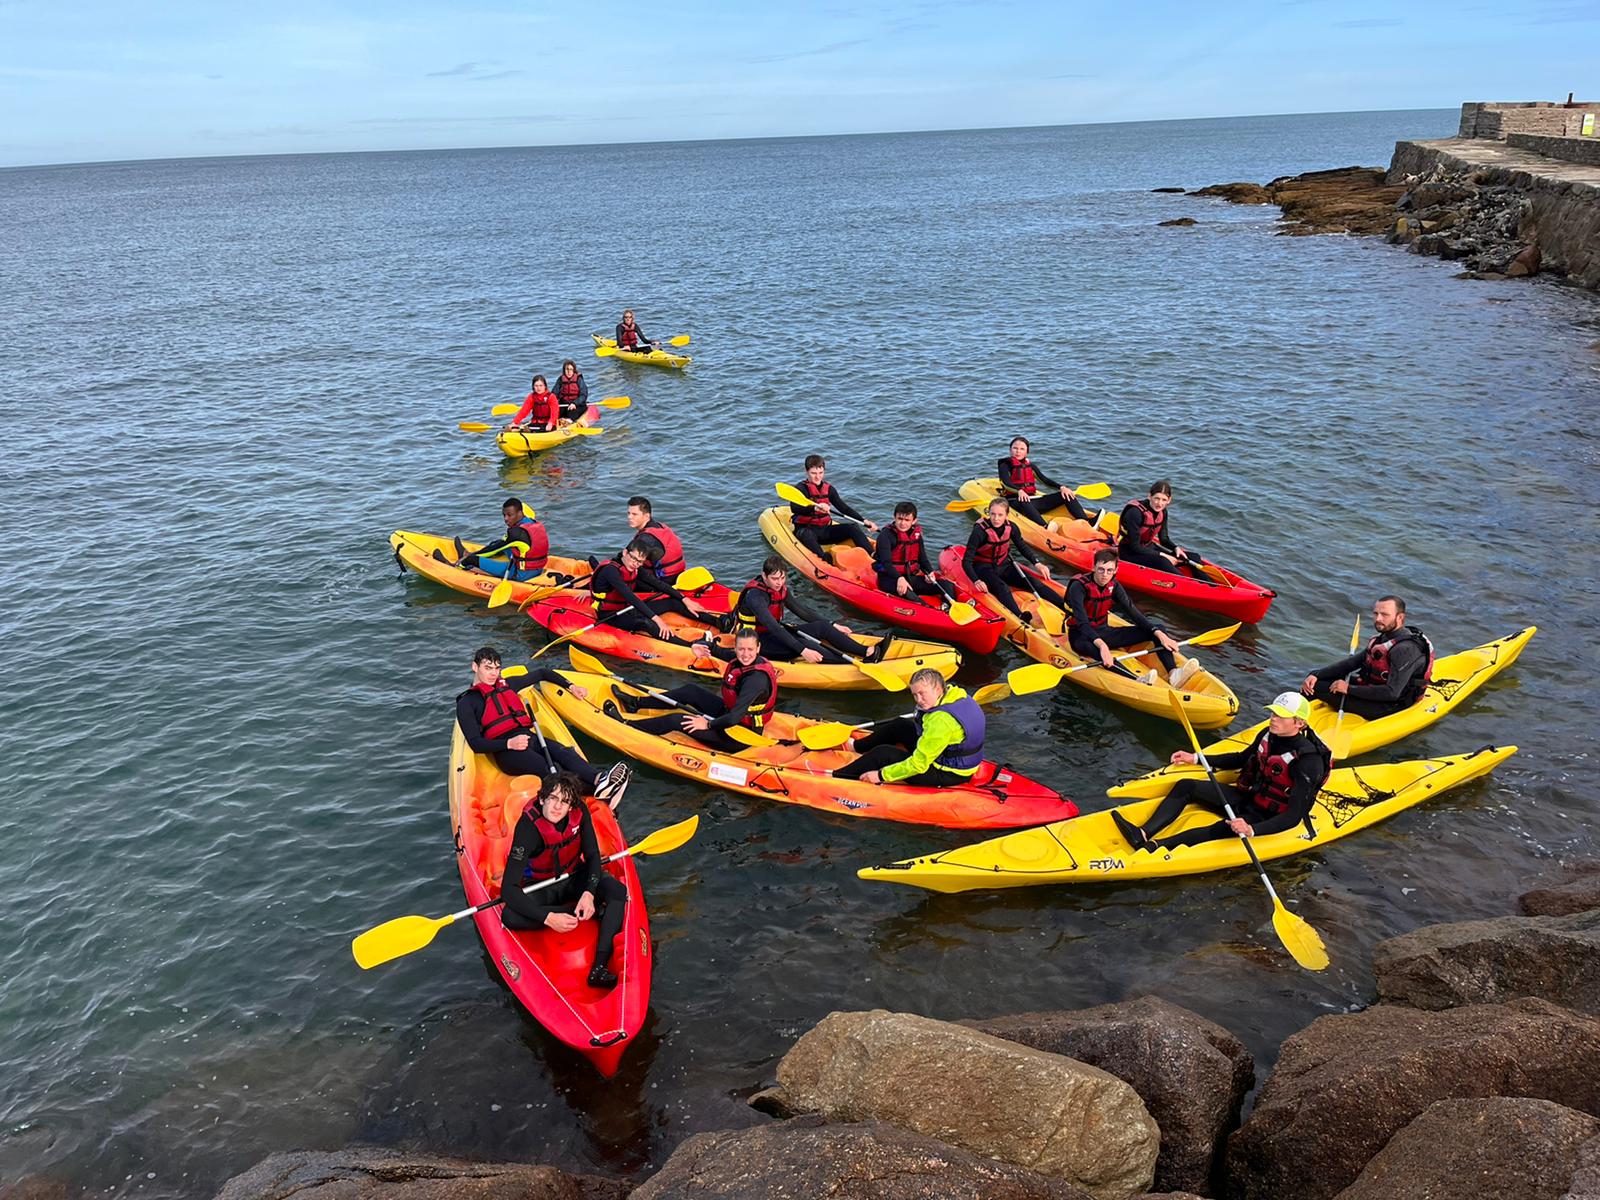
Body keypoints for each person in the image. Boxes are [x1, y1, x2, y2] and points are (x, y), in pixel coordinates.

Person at [1112, 692, 1332, 851]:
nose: (1273, 718)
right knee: (1187, 785)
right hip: (1249, 798)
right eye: (1273, 712)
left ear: (1300, 723)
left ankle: (1154, 848)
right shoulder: (1268, 733)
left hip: (1267, 816)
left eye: (1281, 715)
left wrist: (1251, 830)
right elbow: (1240, 758)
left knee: (1218, 829)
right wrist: (1196, 758)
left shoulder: (1308, 761)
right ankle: (1143, 833)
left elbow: (1293, 816)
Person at [499, 771, 629, 990]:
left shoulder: (581, 813)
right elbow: (509, 890)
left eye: (565, 802)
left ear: (572, 806)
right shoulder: (528, 828)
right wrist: (548, 918)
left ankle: (598, 968)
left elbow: (593, 856)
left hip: (573, 876)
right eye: (553, 798)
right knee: (509, 916)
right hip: (541, 885)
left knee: (617, 891)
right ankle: (586, 912)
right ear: (542, 799)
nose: (558, 807)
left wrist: (589, 892)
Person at [455, 646, 629, 798]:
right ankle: (598, 791)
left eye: (497, 668)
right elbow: (476, 744)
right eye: (488, 668)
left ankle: (600, 779)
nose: (493, 673)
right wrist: (509, 743)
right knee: (550, 769)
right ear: (475, 667)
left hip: (530, 737)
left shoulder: (508, 685)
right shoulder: (467, 703)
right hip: (507, 752)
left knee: (564, 753)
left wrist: (571, 686)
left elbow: (542, 673)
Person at [605, 629, 778, 753]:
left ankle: (628, 725)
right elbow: (714, 649)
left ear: (758, 649)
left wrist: (708, 724)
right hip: (728, 714)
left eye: (750, 649)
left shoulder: (756, 680)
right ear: (736, 648)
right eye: (741, 649)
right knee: (691, 691)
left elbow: (734, 718)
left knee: (678, 720)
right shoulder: (740, 660)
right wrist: (697, 645)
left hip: (739, 734)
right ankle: (635, 704)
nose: (745, 654)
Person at [833, 669, 985, 787]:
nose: (918, 700)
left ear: (938, 689)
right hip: (945, 754)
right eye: (915, 695)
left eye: (922, 693)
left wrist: (880, 775)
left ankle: (837, 776)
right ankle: (857, 747)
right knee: (900, 724)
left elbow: (918, 765)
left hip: (946, 772)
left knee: (883, 753)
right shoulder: (956, 694)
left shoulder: (941, 722)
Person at [1067, 549, 1197, 687]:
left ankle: (1173, 674)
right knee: (1094, 649)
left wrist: (1159, 634)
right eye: (1101, 570)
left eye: (1109, 570)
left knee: (1159, 629)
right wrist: (1102, 646)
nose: (1105, 575)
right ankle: (1136, 680)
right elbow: (1082, 623)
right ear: (1093, 568)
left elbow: (1133, 611)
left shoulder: (1114, 585)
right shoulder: (1079, 586)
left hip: (1104, 631)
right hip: (1081, 636)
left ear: (1116, 570)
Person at [732, 556, 885, 664]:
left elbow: (801, 611)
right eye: (775, 579)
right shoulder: (755, 597)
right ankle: (851, 664)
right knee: (805, 643)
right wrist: (802, 650)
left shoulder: (779, 589)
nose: (779, 583)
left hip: (774, 633)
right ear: (764, 576)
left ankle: (865, 651)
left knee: (822, 627)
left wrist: (831, 624)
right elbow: (774, 628)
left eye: (782, 578)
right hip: (756, 641)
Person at [1301, 596, 1435, 719]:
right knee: (1314, 682)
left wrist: (1348, 689)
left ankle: (1294, 727)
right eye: (1376, 613)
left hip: (1392, 704)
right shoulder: (1383, 639)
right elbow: (1351, 664)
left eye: (1384, 615)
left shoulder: (1404, 649)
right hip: (1372, 688)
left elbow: (1392, 693)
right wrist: (1316, 674)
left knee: (1317, 688)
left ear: (1400, 617)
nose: (1378, 619)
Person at [962, 497, 1068, 624]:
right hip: (983, 567)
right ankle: (1019, 616)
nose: (996, 518)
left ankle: (1066, 607)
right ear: (988, 513)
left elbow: (1022, 546)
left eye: (1000, 515)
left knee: (1033, 582)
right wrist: (976, 580)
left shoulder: (1012, 527)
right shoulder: (979, 531)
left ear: (1007, 515)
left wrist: (1037, 563)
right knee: (1003, 588)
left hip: (1004, 565)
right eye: (993, 514)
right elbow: (966, 561)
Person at [589, 537, 710, 640]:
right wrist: (658, 620)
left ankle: (721, 622)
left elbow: (658, 584)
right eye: (634, 558)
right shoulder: (610, 571)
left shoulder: (634, 567)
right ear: (625, 553)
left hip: (626, 607)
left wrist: (684, 599)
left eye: (640, 562)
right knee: (645, 622)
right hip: (610, 615)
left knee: (673, 602)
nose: (636, 563)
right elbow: (631, 598)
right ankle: (690, 645)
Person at [997, 437, 1100, 527]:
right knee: (1024, 500)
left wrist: (1062, 487)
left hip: (1033, 502)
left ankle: (1087, 522)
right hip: (1015, 502)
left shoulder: (1031, 467)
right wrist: (1018, 491)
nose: (1018, 451)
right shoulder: (1005, 465)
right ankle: (1044, 526)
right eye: (1015, 448)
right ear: (1010, 450)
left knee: (1065, 495)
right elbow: (1006, 483)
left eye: (1022, 449)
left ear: (1026, 452)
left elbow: (1044, 480)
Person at [789, 454, 877, 557]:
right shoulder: (800, 488)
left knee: (852, 527)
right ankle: (823, 558)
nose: (818, 476)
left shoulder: (829, 489)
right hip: (805, 531)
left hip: (824, 530)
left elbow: (843, 508)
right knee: (807, 534)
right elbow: (794, 508)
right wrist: (815, 507)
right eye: (813, 473)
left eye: (821, 473)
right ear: (806, 471)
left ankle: (872, 554)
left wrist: (864, 520)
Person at [446, 498, 549, 582]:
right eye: (504, 515)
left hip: (521, 574)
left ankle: (456, 565)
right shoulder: (532, 522)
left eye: (509, 515)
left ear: (519, 513)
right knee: (498, 544)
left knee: (473, 560)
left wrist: (472, 557)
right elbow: (499, 544)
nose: (506, 519)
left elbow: (493, 549)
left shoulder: (516, 534)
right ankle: (466, 554)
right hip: (538, 568)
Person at [1118, 481, 1201, 577]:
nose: (1159, 503)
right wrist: (1163, 555)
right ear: (1149, 496)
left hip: (1149, 548)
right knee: (1163, 561)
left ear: (1169, 500)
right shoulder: (1135, 513)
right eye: (1156, 498)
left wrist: (1175, 548)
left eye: (1164, 500)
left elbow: (1164, 538)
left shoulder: (1163, 512)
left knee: (1194, 557)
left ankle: (1211, 586)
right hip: (1129, 552)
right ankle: (1188, 584)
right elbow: (1135, 546)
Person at [873, 501, 946, 604]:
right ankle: (929, 611)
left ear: (914, 521)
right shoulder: (885, 536)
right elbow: (887, 563)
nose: (902, 523)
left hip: (910, 577)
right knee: (908, 593)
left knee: (947, 585)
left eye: (907, 520)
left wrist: (930, 572)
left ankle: (948, 608)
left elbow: (923, 559)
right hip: (889, 578)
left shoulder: (916, 535)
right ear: (894, 517)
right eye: (900, 519)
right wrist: (899, 578)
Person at [625, 496, 687, 583]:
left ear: (646, 516)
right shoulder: (658, 526)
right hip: (677, 574)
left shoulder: (645, 539)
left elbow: (623, 561)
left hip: (664, 581)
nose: (629, 517)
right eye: (628, 513)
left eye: (634, 514)